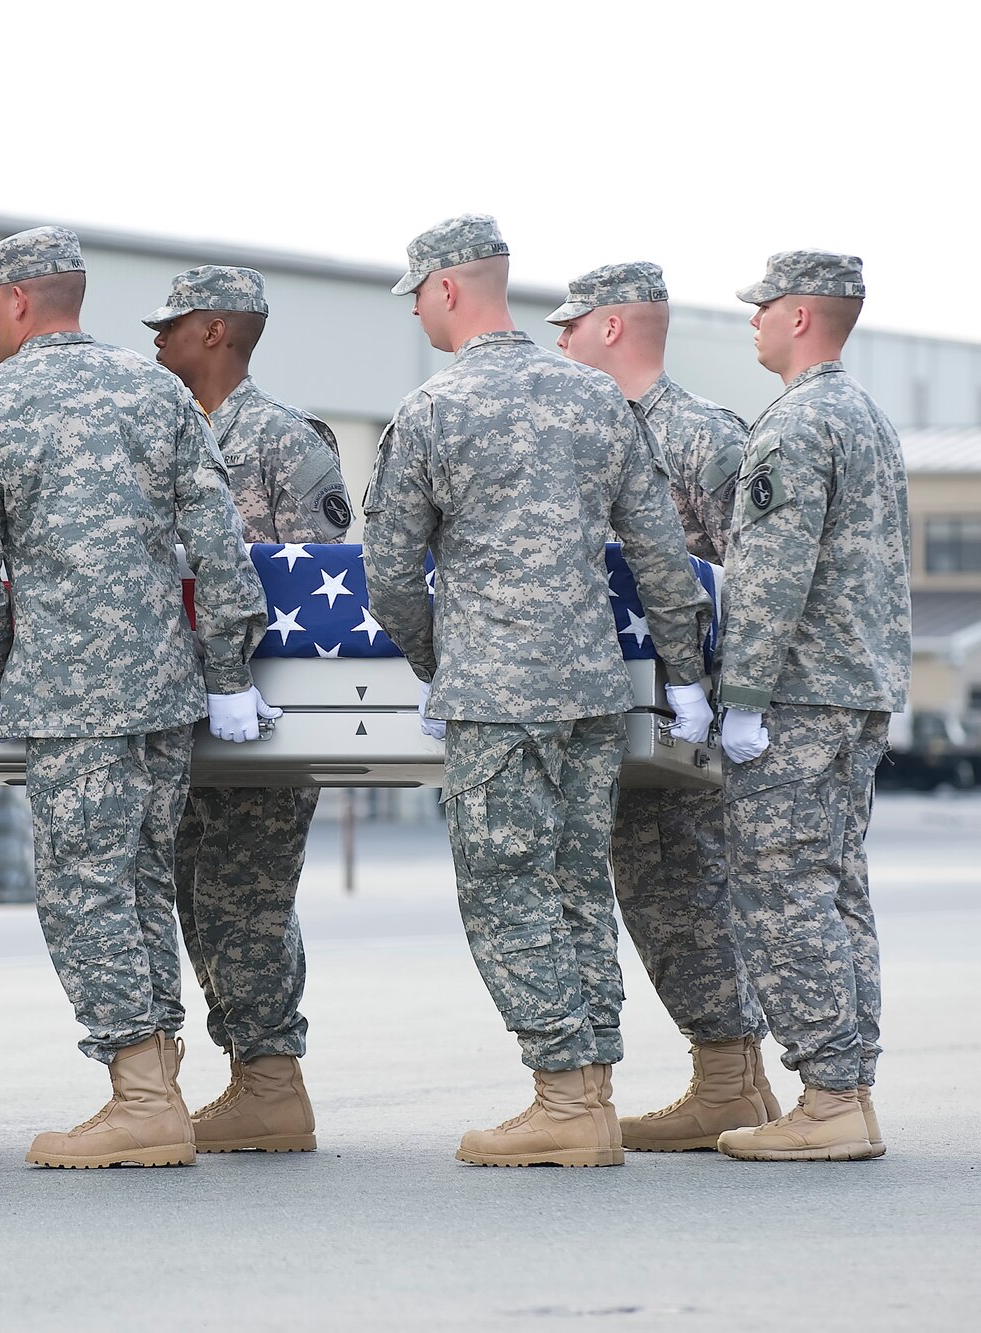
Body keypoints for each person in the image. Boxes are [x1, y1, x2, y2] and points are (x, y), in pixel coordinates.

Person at [362, 216, 712, 1167]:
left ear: (444, 290)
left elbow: (389, 577)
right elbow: (661, 559)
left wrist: (447, 661)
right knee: (574, 886)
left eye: (421, 301)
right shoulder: (597, 401)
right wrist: (684, 675)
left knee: (508, 890)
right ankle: (590, 1089)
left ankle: (564, 1096)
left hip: (497, 694)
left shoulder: (433, 410)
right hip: (593, 691)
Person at [0, 227, 270, 1169]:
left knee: (84, 894)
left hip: (71, 697)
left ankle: (139, 1092)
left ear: (15, 303)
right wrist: (227, 674)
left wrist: (5, 675)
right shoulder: (157, 388)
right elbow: (220, 547)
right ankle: (155, 1079)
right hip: (166, 690)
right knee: (140, 886)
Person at [548, 262, 781, 1150]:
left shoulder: (698, 436)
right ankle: (733, 1078)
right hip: (623, 709)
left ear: (613, 329)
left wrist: (729, 705)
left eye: (573, 325)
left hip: (692, 719)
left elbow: (747, 581)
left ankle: (729, 1078)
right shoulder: (588, 428)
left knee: (684, 889)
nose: (559, 338)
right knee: (656, 890)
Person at [146, 265, 349, 1153]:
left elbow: (328, 582)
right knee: (198, 889)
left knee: (243, 893)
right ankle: (254, 1078)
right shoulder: (163, 433)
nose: (157, 339)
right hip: (181, 705)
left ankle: (272, 1081)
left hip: (264, 711)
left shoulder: (283, 440)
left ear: (217, 332)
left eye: (173, 325)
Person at [711, 251, 909, 1162]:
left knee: (780, 888)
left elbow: (769, 574)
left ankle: (828, 1095)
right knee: (838, 890)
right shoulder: (866, 416)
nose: (751, 320)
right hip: (859, 685)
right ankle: (851, 1088)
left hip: (798, 692)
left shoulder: (797, 423)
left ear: (799, 317)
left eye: (762, 308)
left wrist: (742, 695)